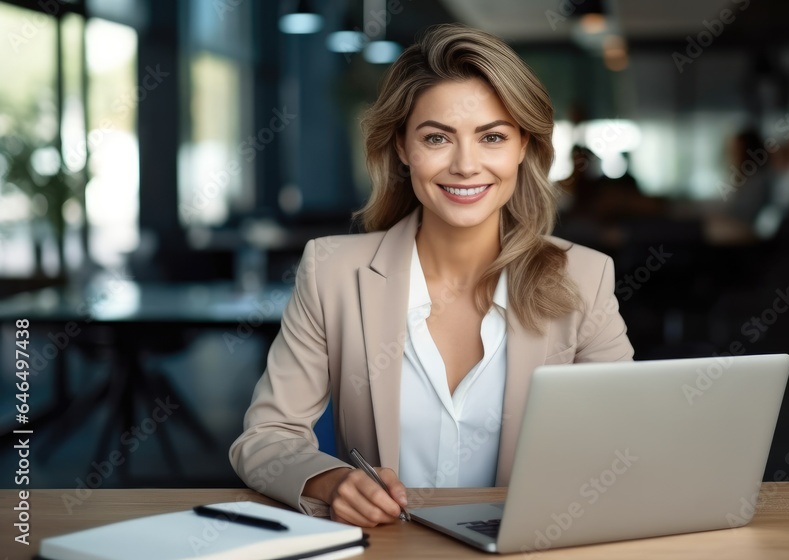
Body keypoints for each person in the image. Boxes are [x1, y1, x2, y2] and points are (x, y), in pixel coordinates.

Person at [229, 24, 634, 528]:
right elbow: (266, 437)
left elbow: (623, 444)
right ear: (402, 147)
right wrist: (333, 483)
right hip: (387, 548)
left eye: (492, 137)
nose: (466, 165)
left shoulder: (584, 276)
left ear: (523, 147)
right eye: (438, 137)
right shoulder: (333, 271)